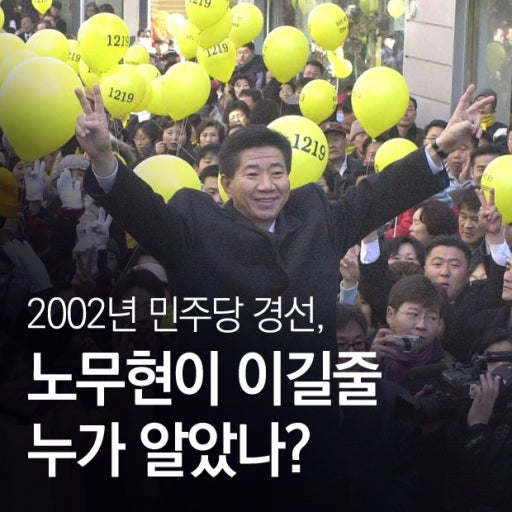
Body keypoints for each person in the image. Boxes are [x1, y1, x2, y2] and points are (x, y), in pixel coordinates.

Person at [74, 83, 492, 510]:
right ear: (226, 182)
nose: (267, 186)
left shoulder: (316, 218)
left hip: (306, 441)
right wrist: (104, 156)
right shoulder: (194, 226)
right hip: (217, 440)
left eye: (277, 173)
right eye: (252, 174)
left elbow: (379, 194)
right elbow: (144, 213)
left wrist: (440, 146)